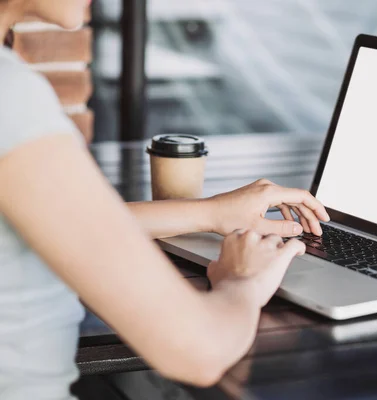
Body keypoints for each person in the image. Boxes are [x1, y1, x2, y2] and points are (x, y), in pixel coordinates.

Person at [0, 1, 330, 399]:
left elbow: (52, 219)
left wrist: (211, 212)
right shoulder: (12, 98)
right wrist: (240, 282)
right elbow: (199, 353)